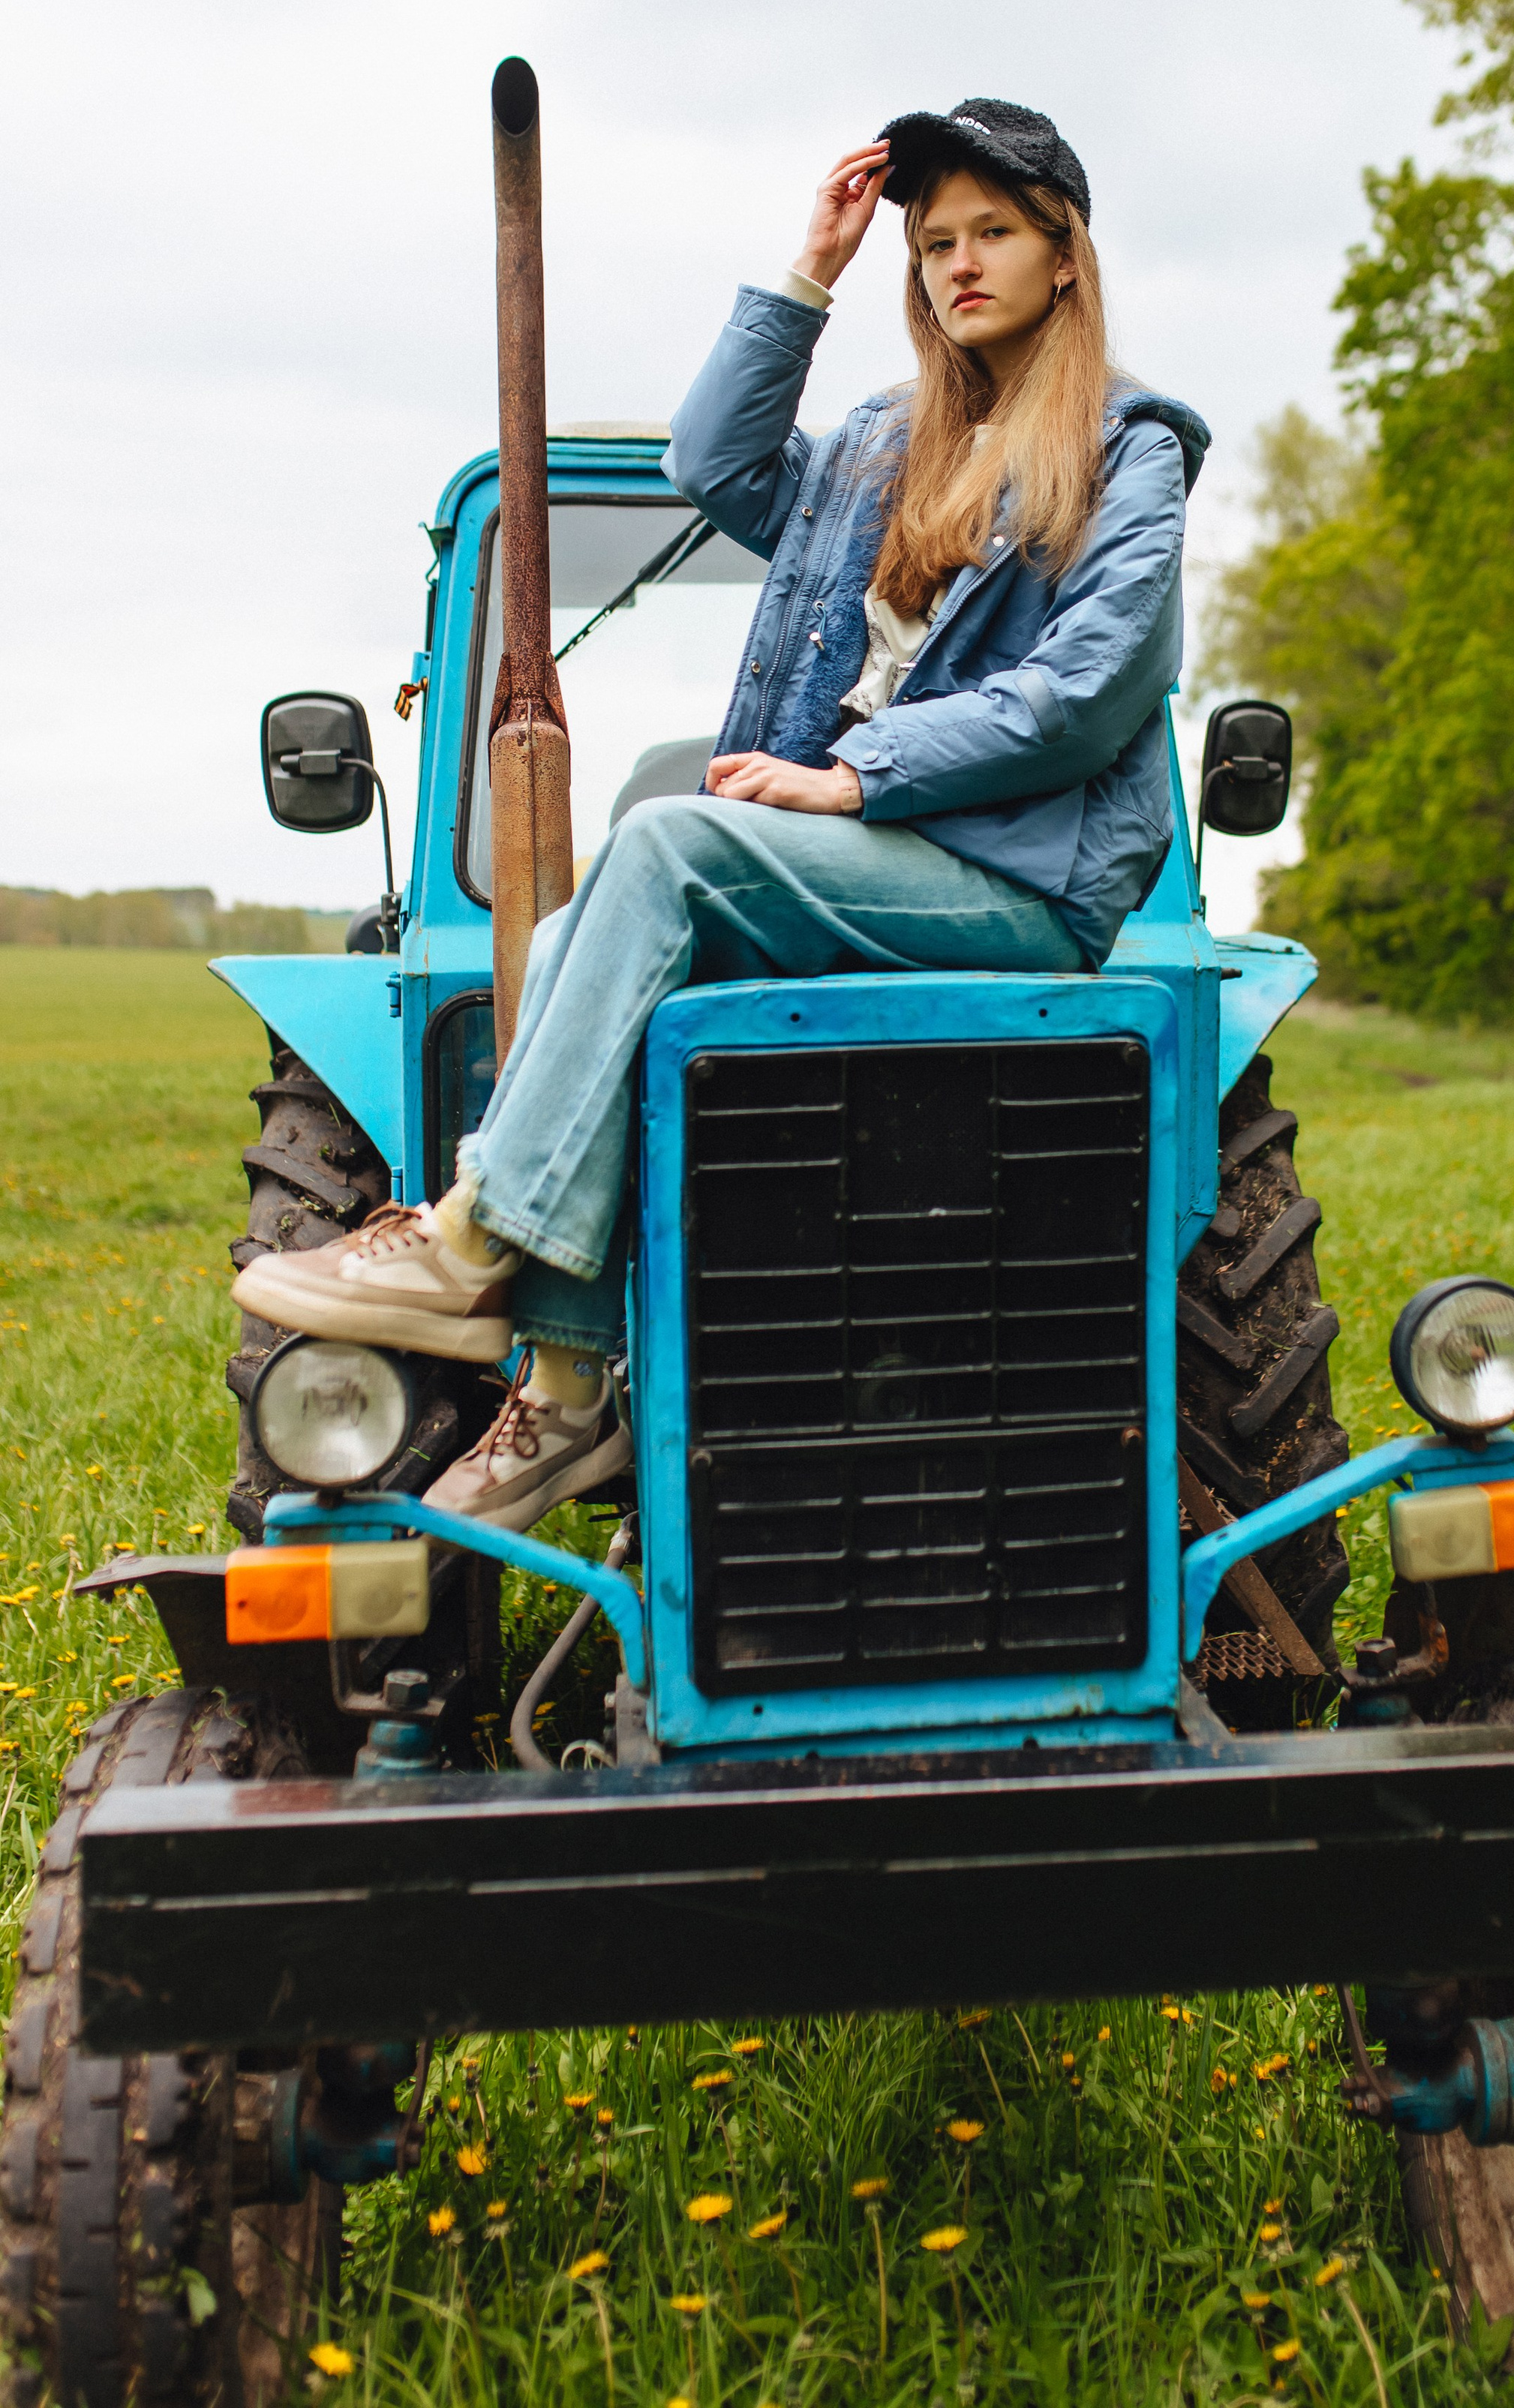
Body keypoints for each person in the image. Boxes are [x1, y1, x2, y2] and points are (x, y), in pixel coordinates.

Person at [235, 98, 1210, 1533]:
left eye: (993, 232)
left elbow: (1087, 690)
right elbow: (712, 471)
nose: (958, 263)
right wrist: (803, 279)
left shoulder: (1130, 451)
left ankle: (468, 1238)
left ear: (1065, 252)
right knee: (570, 938)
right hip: (876, 861)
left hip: (1011, 879)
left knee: (669, 843)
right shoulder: (890, 443)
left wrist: (857, 777)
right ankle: (568, 1394)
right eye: (933, 240)